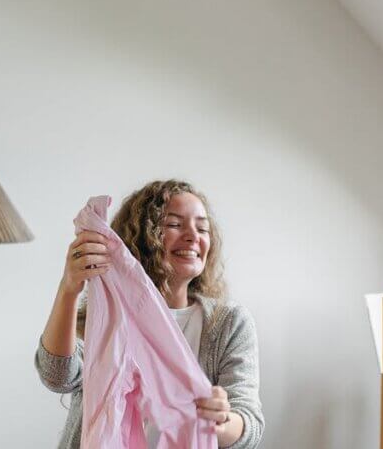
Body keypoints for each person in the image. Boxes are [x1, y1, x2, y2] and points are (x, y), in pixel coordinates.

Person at [35, 180, 263, 449]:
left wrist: (219, 420)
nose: (193, 236)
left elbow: (249, 426)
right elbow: (57, 375)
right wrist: (68, 289)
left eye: (202, 228)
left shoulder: (229, 323)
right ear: (143, 236)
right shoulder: (109, 312)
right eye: (175, 225)